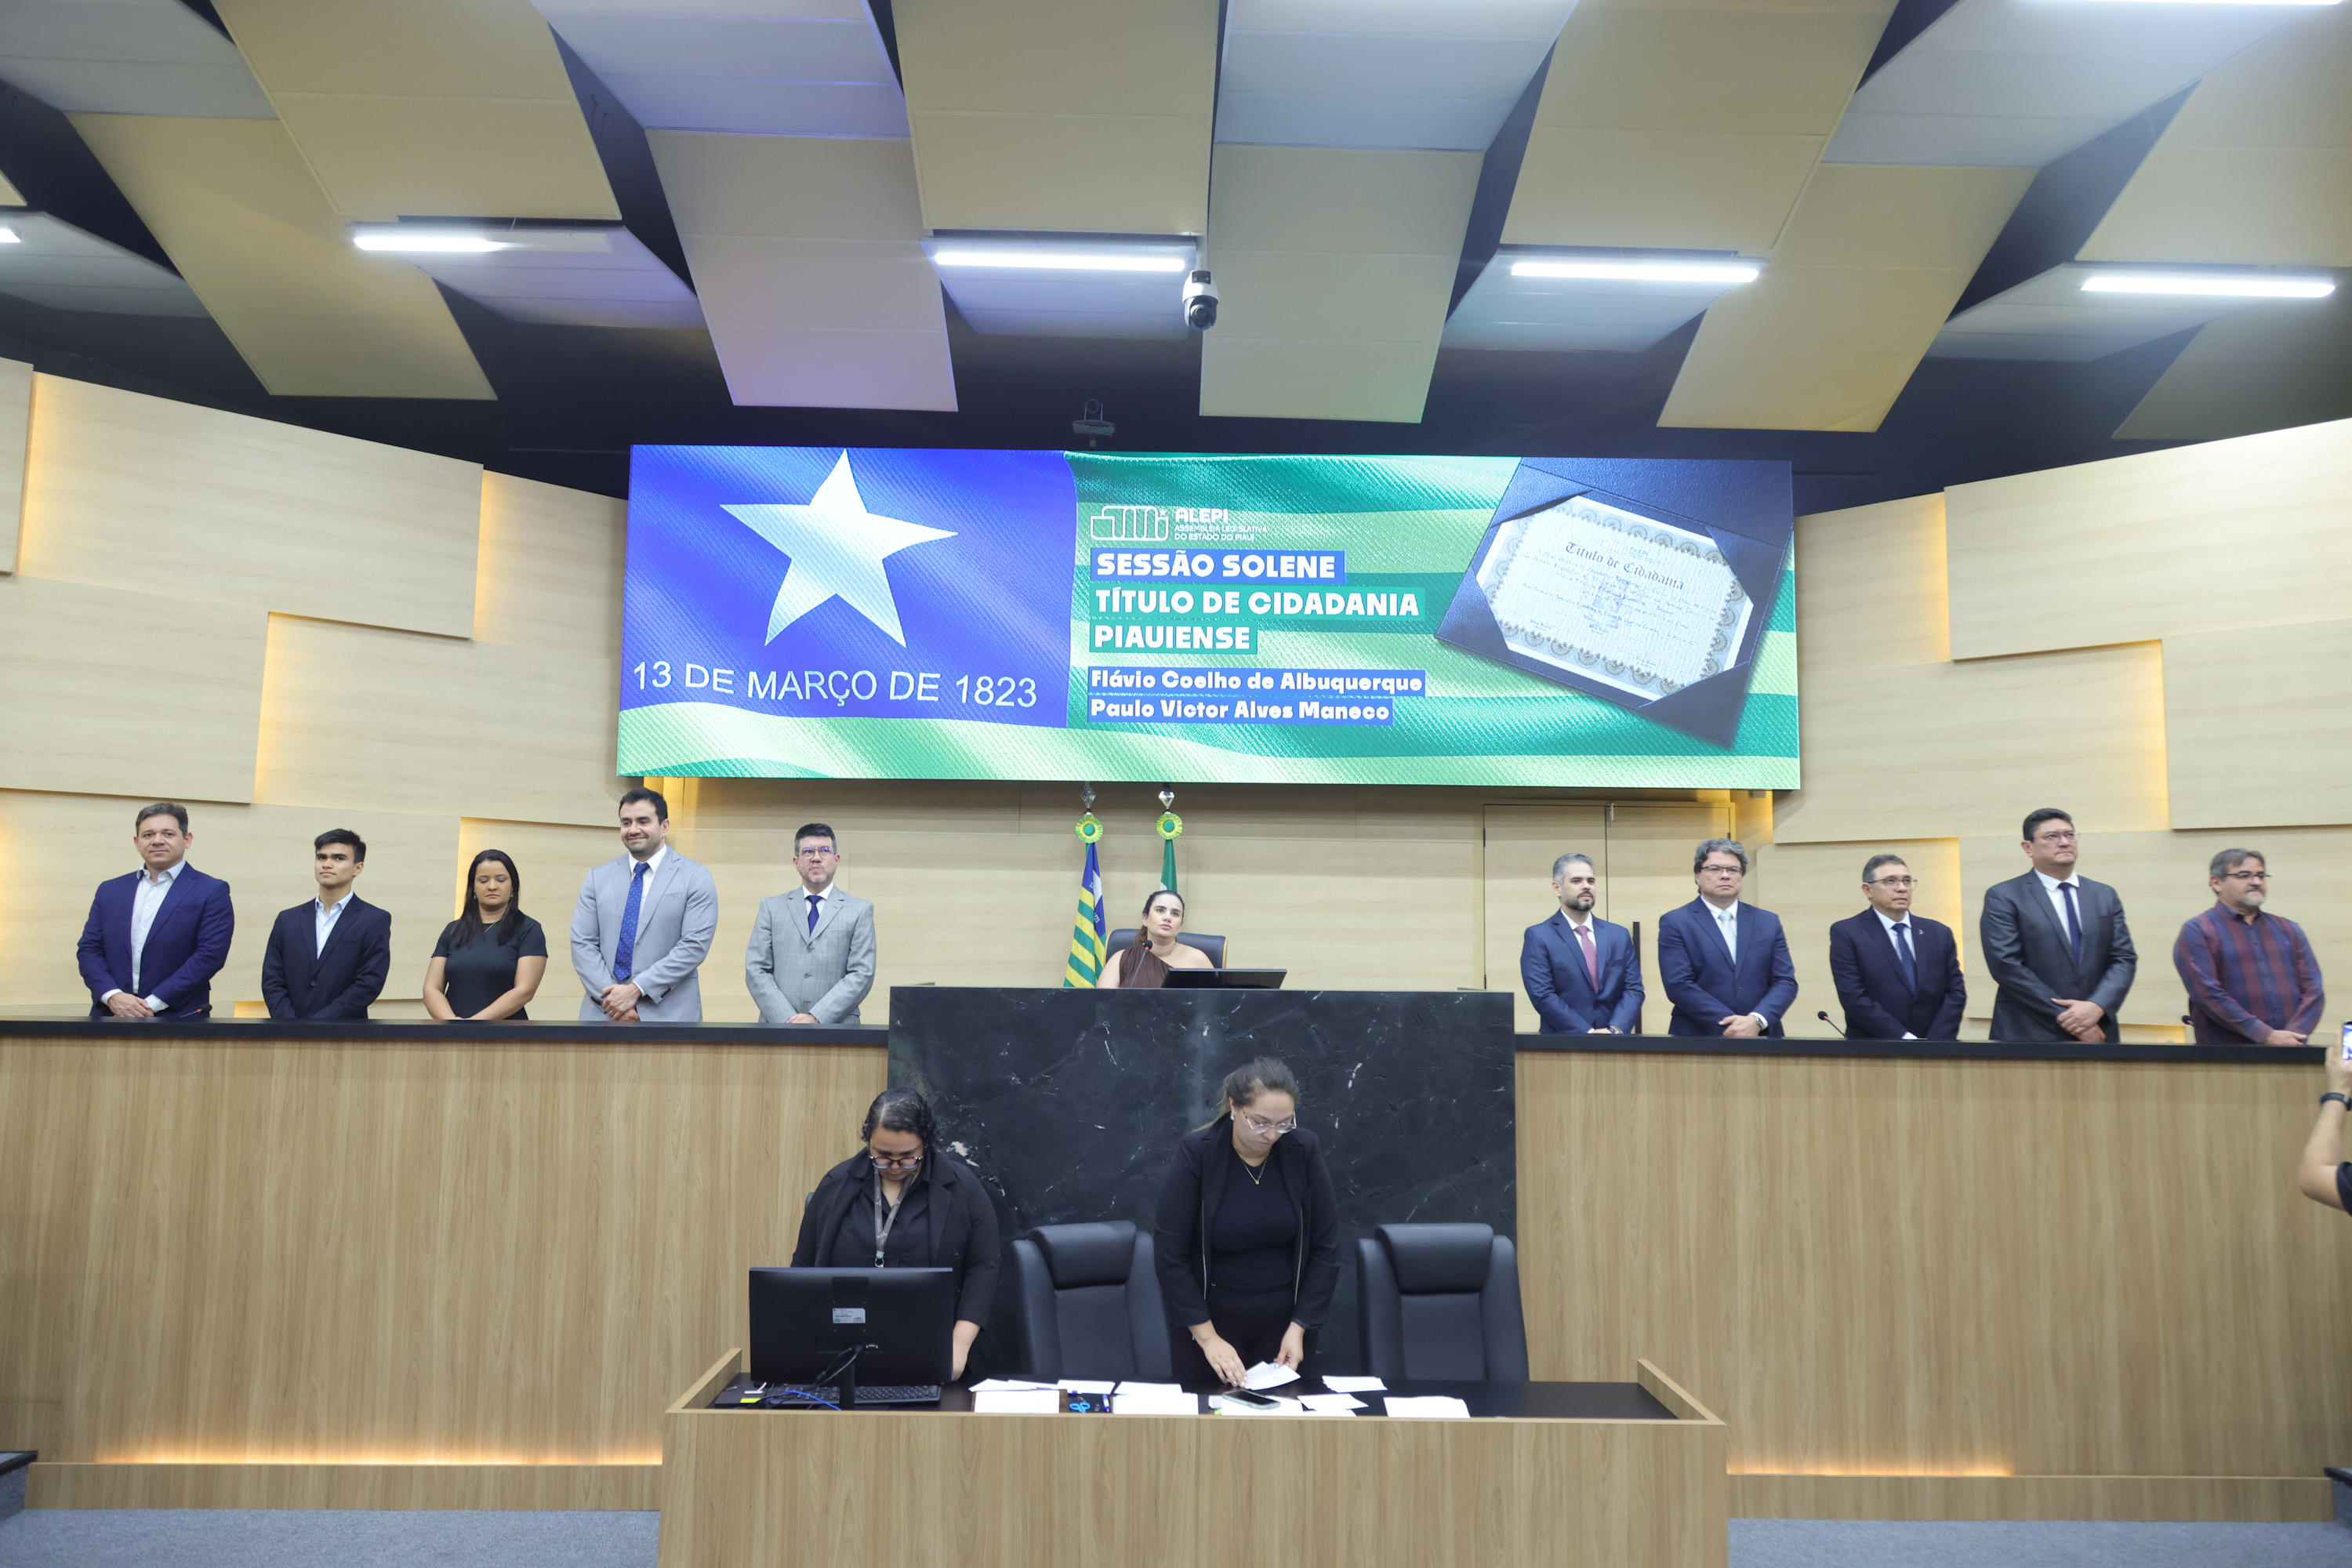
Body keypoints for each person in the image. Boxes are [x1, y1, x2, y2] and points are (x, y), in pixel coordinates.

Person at [1153, 1057, 1341, 1387]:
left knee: (1283, 1431)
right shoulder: (1199, 1153)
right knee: (1209, 1427)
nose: (1271, 1134)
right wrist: (1208, 1339)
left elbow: (1326, 1249)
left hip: (1286, 1331)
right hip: (1209, 1329)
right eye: (1260, 1122)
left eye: (1284, 1123)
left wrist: (1300, 1328)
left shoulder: (1303, 1150)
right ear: (1234, 1107)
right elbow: (1171, 1254)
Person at [791, 1087, 998, 1381]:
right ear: (868, 1142)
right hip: (844, 1353)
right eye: (883, 1157)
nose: (895, 1167)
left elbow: (984, 1266)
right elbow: (802, 1268)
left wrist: (959, 1345)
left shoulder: (962, 1188)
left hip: (936, 1349)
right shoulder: (835, 1185)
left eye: (908, 1157)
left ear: (925, 1144)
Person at [1980, 808, 2136, 1044]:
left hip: (2098, 1026)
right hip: (2029, 1030)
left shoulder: (2104, 895)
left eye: (2070, 835)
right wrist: (2071, 1019)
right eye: (2052, 836)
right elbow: (2006, 965)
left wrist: (2097, 1006)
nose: (2064, 842)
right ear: (2028, 847)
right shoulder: (2004, 896)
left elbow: (2123, 958)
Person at [569, 787, 718, 1024]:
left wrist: (637, 989)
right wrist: (614, 1001)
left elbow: (694, 946)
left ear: (665, 826)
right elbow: (582, 943)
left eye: (643, 821)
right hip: (603, 1012)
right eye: (626, 822)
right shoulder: (597, 878)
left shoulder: (695, 876)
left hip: (670, 1014)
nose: (633, 829)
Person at [76, 801, 235, 1020]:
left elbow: (209, 956)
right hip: (111, 1015)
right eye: (148, 834)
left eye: (168, 834)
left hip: (178, 1017)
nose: (157, 840)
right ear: (137, 842)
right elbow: (89, 949)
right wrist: (112, 996)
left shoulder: (211, 890)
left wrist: (150, 1004)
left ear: (187, 839)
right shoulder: (110, 890)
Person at [2173, 848, 2323, 1046]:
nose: (2256, 882)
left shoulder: (2289, 929)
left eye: (2261, 876)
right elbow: (2208, 995)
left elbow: (2314, 989)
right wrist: (2266, 1036)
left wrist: (2292, 1036)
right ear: (2216, 882)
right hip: (2228, 1058)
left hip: (2291, 1053)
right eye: (2244, 876)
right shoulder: (2198, 930)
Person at [1655, 838, 1798, 1037]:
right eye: (1714, 869)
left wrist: (1757, 1020)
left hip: (1762, 1035)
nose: (1725, 876)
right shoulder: (1676, 922)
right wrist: (1732, 1025)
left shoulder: (1767, 922)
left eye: (1733, 870)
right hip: (1698, 1037)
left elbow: (1785, 981)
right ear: (1697, 875)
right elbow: (1678, 984)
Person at [746, 822, 876, 1024]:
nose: (816, 857)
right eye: (808, 851)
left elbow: (861, 974)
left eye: (825, 850)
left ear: (836, 859)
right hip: (777, 1027)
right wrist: (787, 1020)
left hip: (838, 1029)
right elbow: (756, 969)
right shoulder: (771, 908)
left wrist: (817, 1017)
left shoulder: (860, 910)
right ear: (796, 862)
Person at [1828, 854, 1966, 1040]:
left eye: (1907, 881)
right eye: (1890, 881)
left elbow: (1956, 992)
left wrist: (1936, 1042)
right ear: (1868, 890)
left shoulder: (1939, 933)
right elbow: (1854, 997)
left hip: (1937, 1048)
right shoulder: (1847, 933)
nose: (1902, 888)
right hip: (1875, 1049)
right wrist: (1904, 1039)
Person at [260, 828, 392, 1021]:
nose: (327, 864)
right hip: (288, 1032)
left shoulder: (374, 919)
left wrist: (320, 1024)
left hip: (344, 1033)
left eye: (339, 858)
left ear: (358, 867)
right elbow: (272, 979)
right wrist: (289, 1024)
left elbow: (369, 982)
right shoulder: (287, 919)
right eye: (321, 858)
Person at [1521, 851, 1644, 1033]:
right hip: (1563, 1046)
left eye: (1591, 881)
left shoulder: (1619, 935)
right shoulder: (1539, 936)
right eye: (1577, 881)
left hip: (1616, 1044)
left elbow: (1634, 989)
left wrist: (1615, 1029)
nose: (1586, 886)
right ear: (1557, 888)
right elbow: (1543, 995)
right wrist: (1588, 1034)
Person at [425, 849, 549, 1022]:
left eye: (501, 880)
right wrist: (453, 1023)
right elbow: (432, 988)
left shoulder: (528, 929)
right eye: (483, 880)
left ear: (513, 885)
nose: (492, 886)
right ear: (473, 887)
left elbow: (524, 991)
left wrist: (474, 1025)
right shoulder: (452, 930)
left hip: (506, 1036)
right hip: (453, 1036)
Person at [1102, 889, 1214, 988]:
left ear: (1180, 926)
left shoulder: (1198, 960)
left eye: (1175, 914)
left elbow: (1216, 1004)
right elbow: (1102, 1004)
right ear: (1145, 919)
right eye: (1160, 910)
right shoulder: (1121, 959)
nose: (1167, 917)